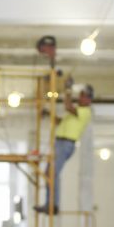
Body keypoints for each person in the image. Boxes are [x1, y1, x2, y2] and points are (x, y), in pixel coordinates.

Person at [35, 83, 94, 215]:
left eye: (82, 96)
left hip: (66, 144)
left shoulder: (85, 112)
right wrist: (48, 114)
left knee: (52, 173)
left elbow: (68, 106)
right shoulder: (76, 112)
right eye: (80, 95)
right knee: (49, 173)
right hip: (60, 143)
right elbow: (59, 122)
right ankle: (50, 203)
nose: (79, 98)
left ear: (88, 99)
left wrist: (67, 90)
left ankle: (53, 205)